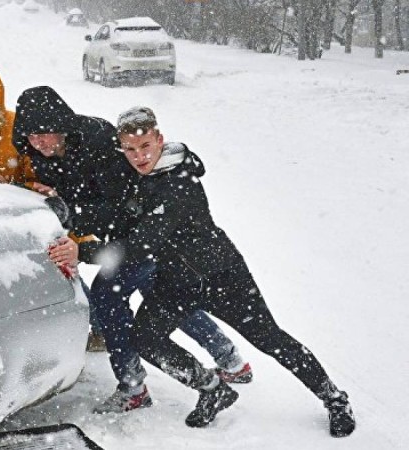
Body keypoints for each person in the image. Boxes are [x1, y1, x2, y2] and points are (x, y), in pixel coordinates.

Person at [49, 106, 355, 436]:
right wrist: (69, 212)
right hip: (176, 281)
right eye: (130, 149)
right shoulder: (140, 178)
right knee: (145, 338)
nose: (139, 156)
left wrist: (85, 251)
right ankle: (212, 388)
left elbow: (142, 243)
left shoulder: (179, 182)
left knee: (271, 339)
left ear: (159, 140)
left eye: (145, 146)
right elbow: (118, 217)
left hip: (221, 277)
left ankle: (335, 399)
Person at [16, 88, 251, 412]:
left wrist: (76, 217)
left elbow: (120, 207)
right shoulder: (46, 154)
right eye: (31, 136)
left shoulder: (97, 143)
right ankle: (230, 359)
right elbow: (79, 197)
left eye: (44, 133)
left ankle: (133, 386)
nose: (38, 142)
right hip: (131, 235)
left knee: (108, 294)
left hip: (145, 232)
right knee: (157, 291)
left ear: (61, 124)